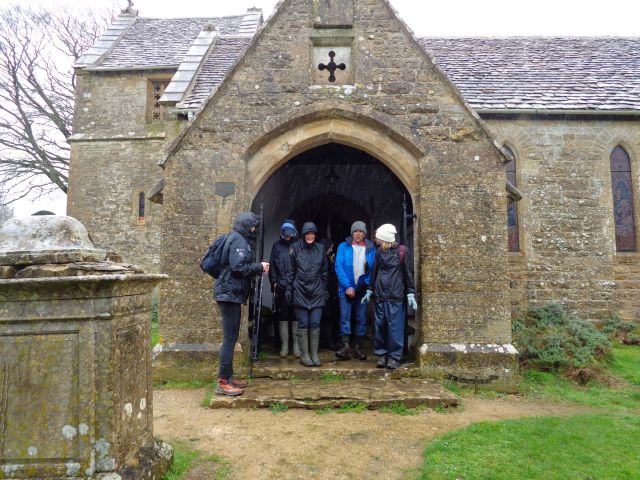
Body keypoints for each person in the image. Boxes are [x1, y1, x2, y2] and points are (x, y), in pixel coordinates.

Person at [214, 212, 269, 396]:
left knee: (231, 337)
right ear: (246, 225)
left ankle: (228, 377)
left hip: (230, 293)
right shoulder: (239, 241)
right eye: (253, 226)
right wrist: (259, 267)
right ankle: (223, 382)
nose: (254, 229)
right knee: (229, 339)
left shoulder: (236, 238)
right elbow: (238, 268)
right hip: (229, 294)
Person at [362, 224, 417, 370]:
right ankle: (382, 354)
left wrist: (410, 291)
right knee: (380, 326)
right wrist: (370, 289)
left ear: (385, 238)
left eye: (379, 237)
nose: (376, 240)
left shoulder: (402, 252)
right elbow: (375, 271)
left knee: (395, 328)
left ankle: (394, 357)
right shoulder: (380, 251)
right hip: (380, 295)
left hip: (396, 296)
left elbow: (408, 273)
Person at [286, 222, 328, 367]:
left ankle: (314, 354)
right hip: (300, 291)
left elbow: (324, 271)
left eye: (312, 233)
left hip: (317, 291)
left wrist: (323, 288)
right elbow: (291, 271)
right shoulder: (295, 248)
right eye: (307, 234)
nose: (310, 236)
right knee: (303, 323)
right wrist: (288, 289)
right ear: (303, 235)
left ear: (315, 235)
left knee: (315, 322)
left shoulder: (320, 249)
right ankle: (304, 355)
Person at [334, 221, 376, 360]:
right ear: (352, 233)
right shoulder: (343, 247)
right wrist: (348, 286)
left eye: (360, 231)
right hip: (345, 289)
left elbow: (373, 269)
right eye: (355, 231)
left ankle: (358, 347)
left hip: (362, 289)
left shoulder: (371, 249)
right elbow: (339, 267)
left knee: (361, 318)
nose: (358, 234)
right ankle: (345, 347)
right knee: (344, 318)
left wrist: (366, 285)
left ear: (364, 233)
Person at [269, 219, 301, 358]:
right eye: (285, 231)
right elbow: (273, 266)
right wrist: (274, 282)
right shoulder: (276, 246)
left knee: (295, 315)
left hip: (295, 286)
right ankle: (284, 346)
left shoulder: (298, 245)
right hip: (281, 285)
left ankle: (296, 346)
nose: (287, 234)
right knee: (283, 314)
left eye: (290, 231)